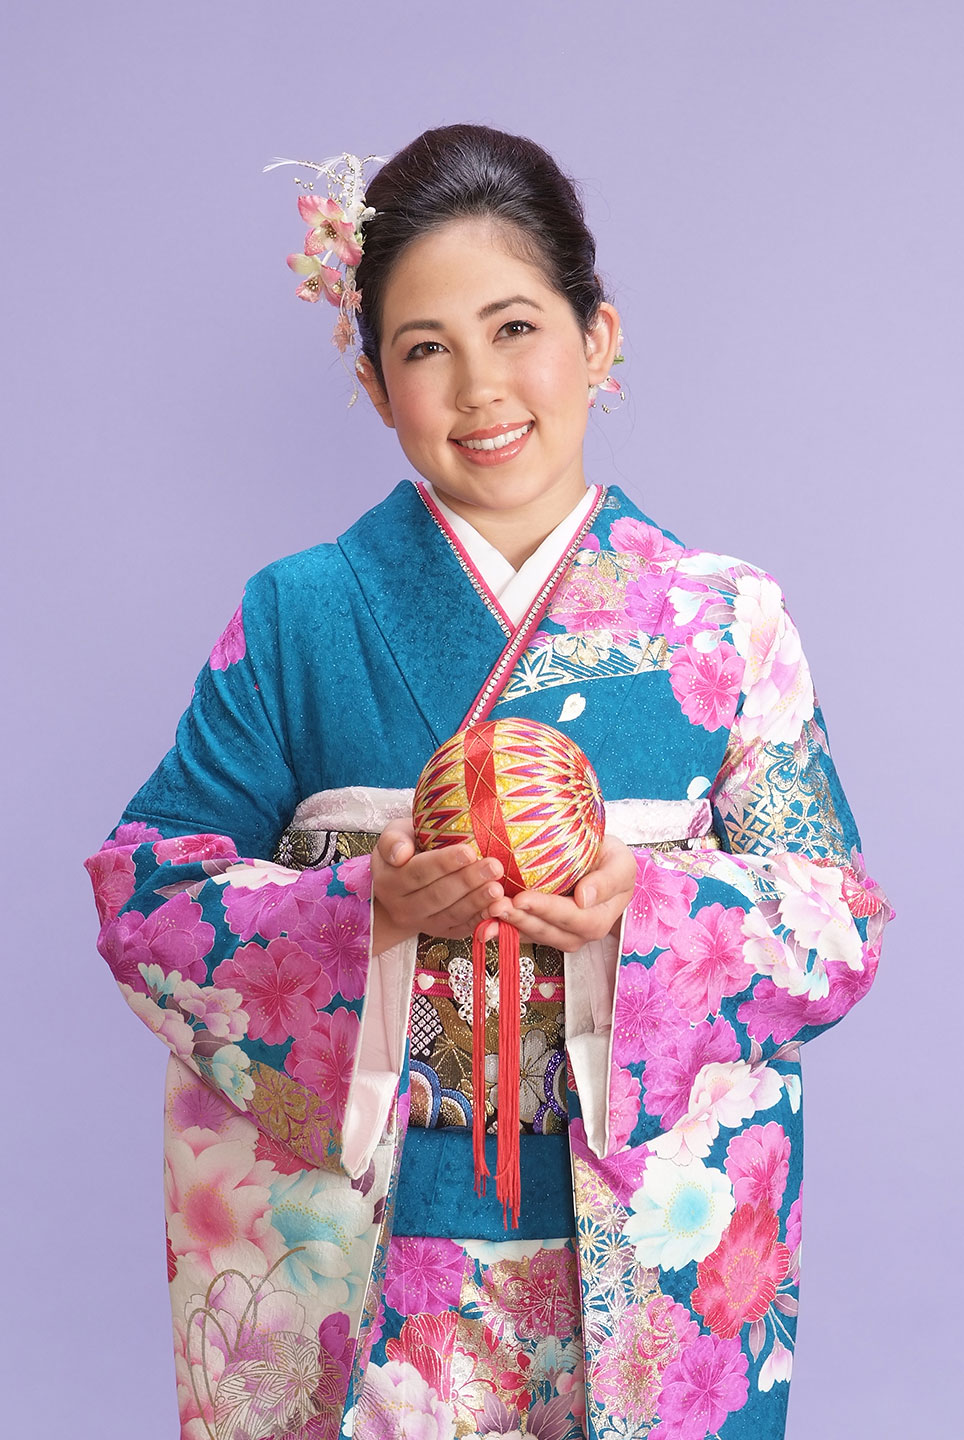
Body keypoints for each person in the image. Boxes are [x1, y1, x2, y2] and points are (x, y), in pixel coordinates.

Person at [85, 124, 890, 1440]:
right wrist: (367, 910)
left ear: (598, 338)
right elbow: (147, 897)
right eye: (424, 349)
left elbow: (836, 920)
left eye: (516, 328)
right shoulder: (300, 616)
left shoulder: (726, 623)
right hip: (372, 1251)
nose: (479, 388)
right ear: (374, 383)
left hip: (639, 1257)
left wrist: (648, 914)